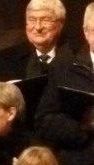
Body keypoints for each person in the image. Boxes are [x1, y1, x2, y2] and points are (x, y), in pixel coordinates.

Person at [35, 2, 94, 152]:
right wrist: (84, 126)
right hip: (81, 161)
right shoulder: (64, 68)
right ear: (86, 32)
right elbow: (44, 120)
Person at [0, 0, 72, 81]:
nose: (38, 27)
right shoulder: (1, 62)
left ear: (61, 24)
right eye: (32, 20)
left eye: (46, 20)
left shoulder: (77, 61)